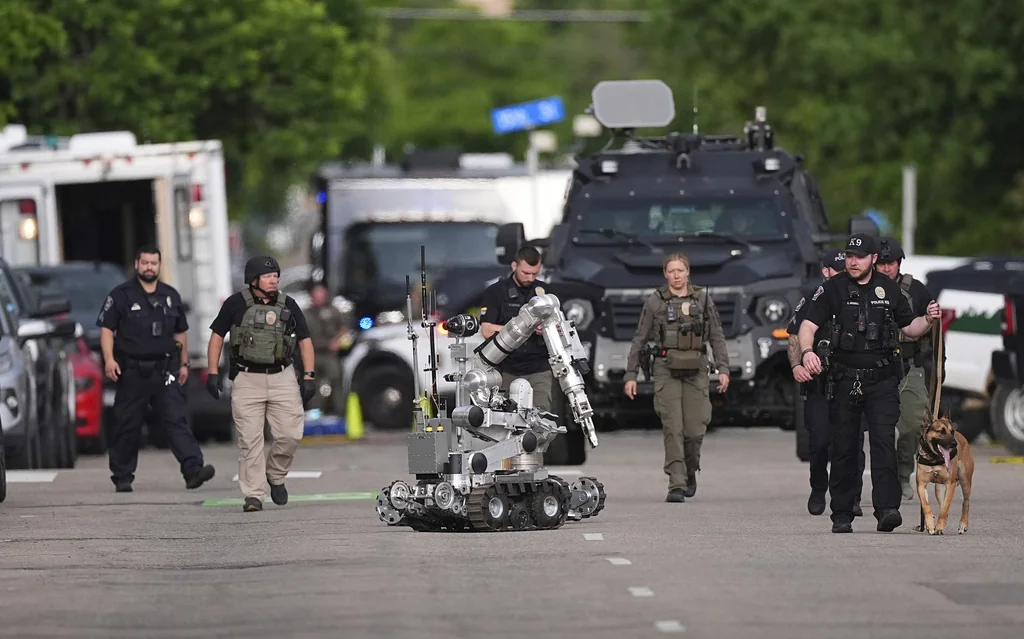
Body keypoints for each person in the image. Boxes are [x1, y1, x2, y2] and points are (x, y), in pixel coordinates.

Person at [798, 233, 941, 533]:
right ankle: (842, 512)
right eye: (849, 256)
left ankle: (887, 508)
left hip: (882, 379)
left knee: (882, 442)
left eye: (859, 257)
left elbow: (911, 328)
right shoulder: (832, 289)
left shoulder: (889, 289)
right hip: (843, 379)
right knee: (845, 446)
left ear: (873, 259)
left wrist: (928, 319)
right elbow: (807, 326)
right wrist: (808, 352)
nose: (852, 261)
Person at [95, 245, 216, 493]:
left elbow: (180, 332)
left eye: (154, 263)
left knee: (176, 420)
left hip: (165, 370)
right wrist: (109, 359)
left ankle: (193, 470)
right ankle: (122, 476)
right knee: (127, 425)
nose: (149, 267)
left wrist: (184, 363)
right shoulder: (121, 295)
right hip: (133, 371)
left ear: (160, 266)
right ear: (137, 264)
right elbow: (107, 329)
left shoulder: (170, 296)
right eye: (145, 263)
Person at [205, 256, 316, 513]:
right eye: (268, 276)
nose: (274, 279)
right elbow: (217, 336)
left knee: (290, 434)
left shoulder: (289, 304)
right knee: (249, 440)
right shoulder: (235, 304)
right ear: (253, 280)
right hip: (247, 378)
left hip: (282, 376)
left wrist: (309, 375)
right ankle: (253, 495)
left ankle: (275, 475)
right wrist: (212, 372)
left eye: (276, 275)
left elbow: (305, 340)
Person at [622, 252, 730, 503]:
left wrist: (723, 368)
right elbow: (640, 338)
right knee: (673, 427)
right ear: (665, 274)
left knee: (694, 430)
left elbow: (717, 336)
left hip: (697, 367)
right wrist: (631, 374)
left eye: (680, 270)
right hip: (665, 367)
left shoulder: (702, 300)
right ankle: (676, 483)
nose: (676, 275)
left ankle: (690, 471)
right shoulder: (655, 302)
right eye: (671, 271)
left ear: (688, 271)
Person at [788, 249, 866, 516]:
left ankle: (852, 495)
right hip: (819, 381)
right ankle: (819, 488)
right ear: (825, 272)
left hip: (851, 380)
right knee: (820, 440)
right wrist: (797, 365)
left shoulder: (860, 295)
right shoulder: (814, 298)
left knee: (852, 441)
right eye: (838, 270)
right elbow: (795, 336)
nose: (844, 275)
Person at [876, 235, 941, 500]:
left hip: (909, 365)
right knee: (875, 431)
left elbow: (933, 330)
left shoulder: (915, 289)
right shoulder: (863, 287)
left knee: (914, 424)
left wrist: (939, 370)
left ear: (899, 262)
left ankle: (903, 476)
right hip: (874, 366)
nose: (885, 268)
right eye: (880, 262)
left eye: (890, 262)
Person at [480, 245, 554, 413]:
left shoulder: (546, 293)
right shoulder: (496, 292)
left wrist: (546, 328)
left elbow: (559, 326)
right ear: (514, 266)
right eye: (525, 273)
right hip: (507, 368)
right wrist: (522, 328)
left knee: (542, 420)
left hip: (538, 368)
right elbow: (486, 330)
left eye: (534, 274)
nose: (530, 277)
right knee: (506, 421)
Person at [303, 284, 350, 416]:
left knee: (335, 380)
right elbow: (303, 336)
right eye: (316, 295)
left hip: (330, 354)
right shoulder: (305, 314)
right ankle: (314, 412)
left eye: (322, 295)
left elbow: (344, 328)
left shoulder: (333, 311)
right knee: (313, 384)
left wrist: (338, 341)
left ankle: (339, 412)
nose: (319, 298)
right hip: (313, 354)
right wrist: (325, 344)